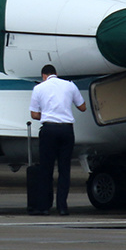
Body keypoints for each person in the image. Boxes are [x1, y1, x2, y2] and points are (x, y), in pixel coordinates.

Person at [29, 64, 86, 216]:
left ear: (43, 76)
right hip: (66, 130)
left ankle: (44, 207)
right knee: (64, 169)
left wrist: (47, 115)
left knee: (46, 170)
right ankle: (62, 207)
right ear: (56, 73)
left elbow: (34, 114)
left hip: (49, 130)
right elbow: (82, 107)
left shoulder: (39, 88)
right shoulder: (69, 85)